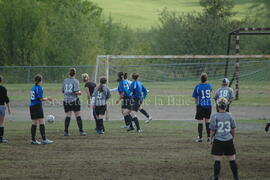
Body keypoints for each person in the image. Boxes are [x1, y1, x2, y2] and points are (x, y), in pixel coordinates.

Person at [209, 97, 239, 180]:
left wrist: (210, 140)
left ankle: (216, 177)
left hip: (218, 140)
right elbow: (233, 129)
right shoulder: (230, 115)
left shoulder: (214, 116)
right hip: (228, 140)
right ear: (226, 106)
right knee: (232, 160)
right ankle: (236, 178)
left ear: (217, 106)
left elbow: (212, 131)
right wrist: (232, 138)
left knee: (217, 161)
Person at [29, 74, 53, 145]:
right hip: (37, 106)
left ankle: (33, 140)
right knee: (42, 121)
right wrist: (47, 99)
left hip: (32, 106)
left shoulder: (33, 88)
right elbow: (40, 99)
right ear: (40, 81)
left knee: (34, 123)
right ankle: (44, 139)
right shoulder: (39, 88)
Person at [63, 68, 86, 136]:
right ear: (75, 74)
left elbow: (63, 91)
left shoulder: (65, 80)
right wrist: (80, 92)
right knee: (78, 115)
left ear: (69, 73)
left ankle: (66, 132)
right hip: (74, 100)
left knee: (68, 116)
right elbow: (76, 92)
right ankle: (81, 131)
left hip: (66, 100)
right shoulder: (76, 81)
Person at [192, 73, 212, 142]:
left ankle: (200, 138)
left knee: (200, 121)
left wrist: (197, 104)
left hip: (200, 105)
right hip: (208, 105)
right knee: (207, 121)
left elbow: (195, 97)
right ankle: (209, 137)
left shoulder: (198, 86)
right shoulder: (209, 86)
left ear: (200, 78)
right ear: (206, 79)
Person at [0, 76, 11, 143]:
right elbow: (6, 100)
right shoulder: (3, 89)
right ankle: (1, 138)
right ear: (1, 81)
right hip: (1, 107)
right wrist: (9, 109)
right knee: (1, 123)